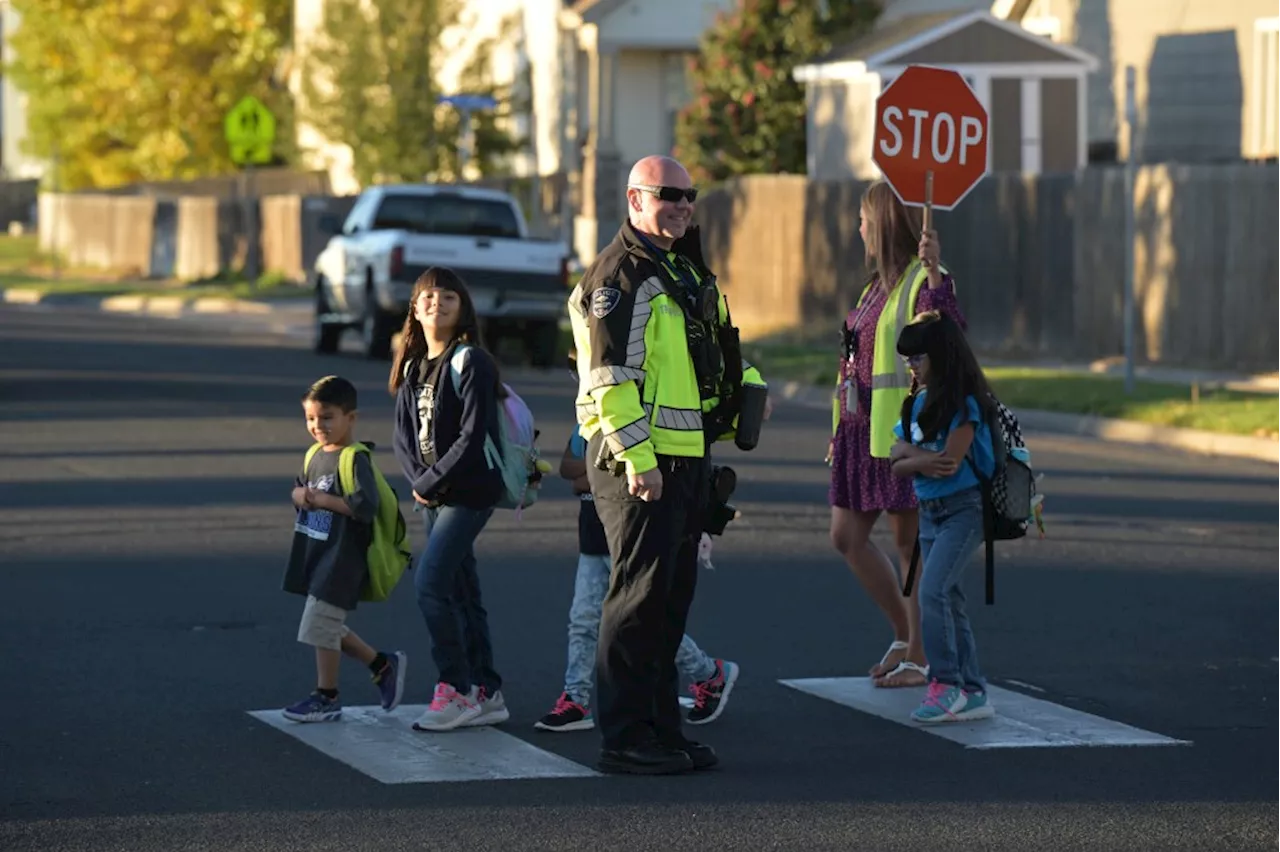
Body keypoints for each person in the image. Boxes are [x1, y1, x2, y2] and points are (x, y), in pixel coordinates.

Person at [568, 154, 765, 775]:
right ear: (634, 199)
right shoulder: (621, 275)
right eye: (667, 194)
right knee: (635, 603)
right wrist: (640, 459)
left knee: (669, 605)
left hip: (686, 460)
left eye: (689, 194)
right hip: (639, 466)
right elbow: (610, 378)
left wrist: (743, 399)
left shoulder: (676, 268)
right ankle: (624, 738)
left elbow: (705, 358)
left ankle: (660, 729)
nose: (682, 204)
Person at [827, 180, 966, 689]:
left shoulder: (921, 279)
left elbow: (946, 335)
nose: (858, 227)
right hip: (858, 434)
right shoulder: (873, 286)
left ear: (883, 223)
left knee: (909, 544)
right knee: (846, 537)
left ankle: (921, 657)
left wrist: (934, 273)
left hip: (901, 435)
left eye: (864, 218)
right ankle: (904, 635)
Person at [535, 419, 740, 733]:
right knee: (583, 619)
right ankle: (576, 699)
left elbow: (617, 478)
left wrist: (594, 474)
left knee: (638, 617)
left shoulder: (634, 420)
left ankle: (707, 672)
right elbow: (569, 469)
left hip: (628, 530)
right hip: (592, 533)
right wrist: (599, 473)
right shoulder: (587, 420)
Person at [390, 267, 508, 732]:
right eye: (428, 297)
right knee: (462, 592)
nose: (436, 303)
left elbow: (474, 434)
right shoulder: (414, 365)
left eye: (448, 297)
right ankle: (488, 691)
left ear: (462, 309)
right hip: (432, 494)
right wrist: (420, 481)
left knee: (430, 585)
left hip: (470, 492)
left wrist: (431, 481)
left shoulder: (472, 362)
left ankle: (455, 687)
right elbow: (402, 437)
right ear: (415, 310)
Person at [889, 310, 997, 723]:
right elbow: (893, 459)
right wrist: (920, 460)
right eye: (909, 359)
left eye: (918, 357)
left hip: (963, 511)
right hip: (930, 513)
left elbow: (949, 462)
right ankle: (973, 690)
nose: (912, 366)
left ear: (941, 355)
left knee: (932, 592)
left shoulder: (966, 403)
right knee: (948, 599)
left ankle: (945, 685)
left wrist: (911, 458)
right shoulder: (916, 402)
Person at [282, 375, 407, 723]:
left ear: (350, 418)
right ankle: (382, 664)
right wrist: (298, 496)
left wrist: (320, 499)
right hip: (319, 554)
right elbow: (302, 490)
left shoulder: (355, 459)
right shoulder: (314, 455)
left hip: (344, 558)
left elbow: (364, 508)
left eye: (327, 417)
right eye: (310, 418)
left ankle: (327, 696)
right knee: (324, 624)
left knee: (319, 623)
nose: (317, 426)